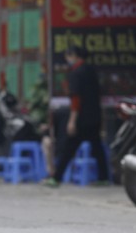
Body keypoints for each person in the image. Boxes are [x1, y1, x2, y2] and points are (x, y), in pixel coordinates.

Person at [46, 45, 109, 186]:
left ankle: (56, 178)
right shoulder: (91, 71)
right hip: (95, 116)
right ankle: (104, 178)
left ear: (74, 55)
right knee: (97, 148)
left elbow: (76, 99)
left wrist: (72, 120)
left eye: (68, 56)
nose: (67, 59)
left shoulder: (76, 73)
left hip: (81, 118)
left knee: (68, 148)